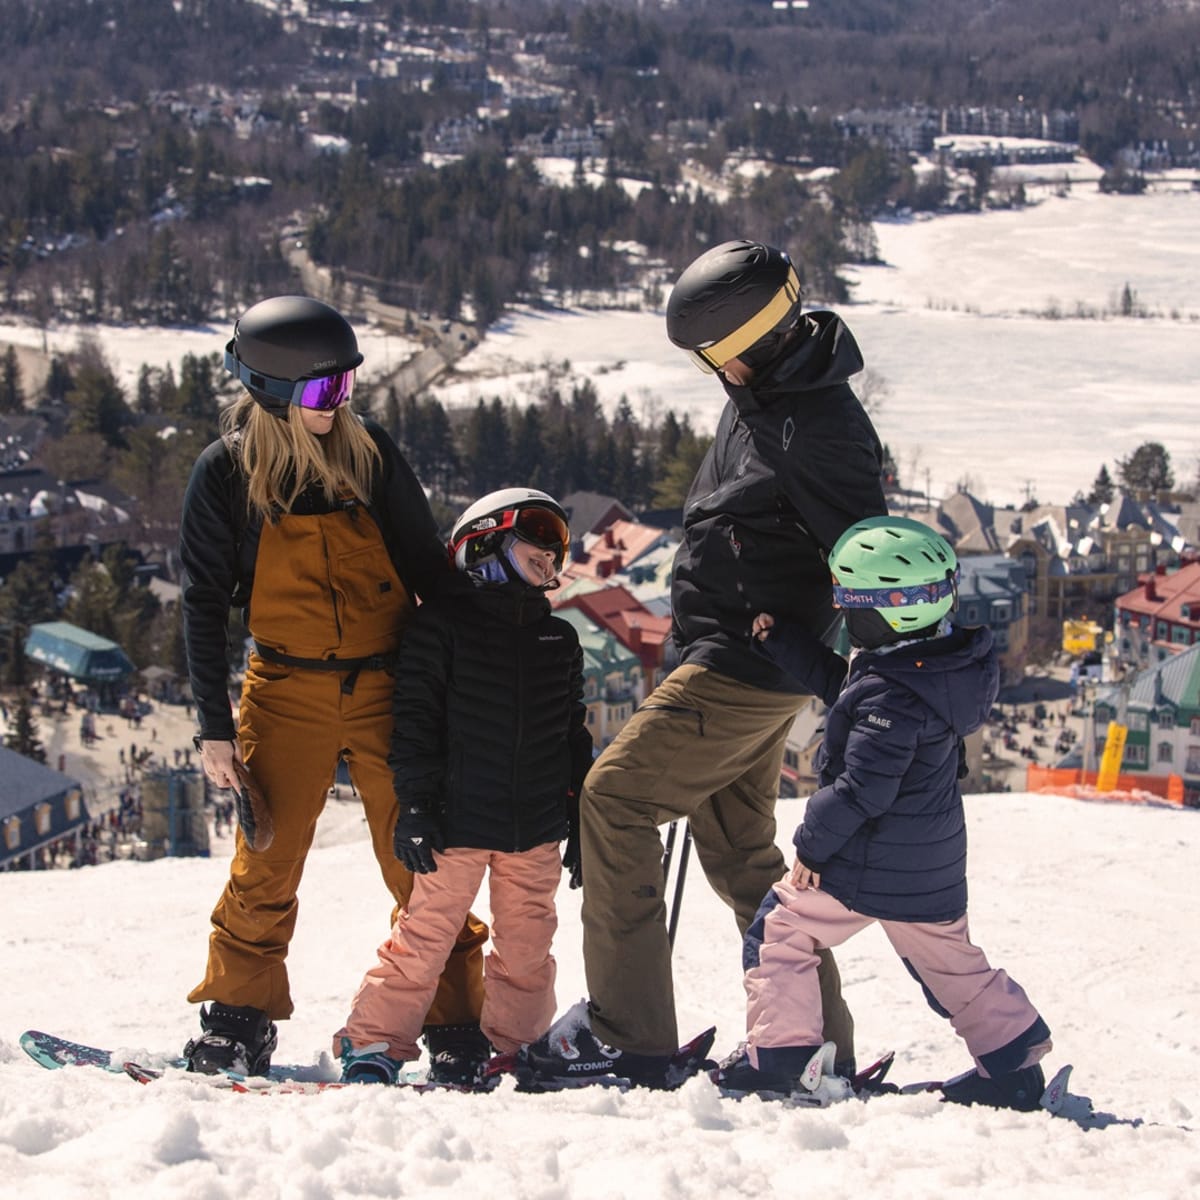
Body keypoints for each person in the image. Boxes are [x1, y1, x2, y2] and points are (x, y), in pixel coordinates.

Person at [520, 239, 887, 1089]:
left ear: (752, 337)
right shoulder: (764, 393)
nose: (709, 367)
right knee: (738, 850)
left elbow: (867, 557)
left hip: (745, 664)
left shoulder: (818, 426)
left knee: (613, 801)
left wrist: (877, 692)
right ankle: (812, 1043)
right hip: (730, 657)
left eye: (714, 351)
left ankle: (628, 1034)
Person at [178, 295, 487, 1078]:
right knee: (266, 857)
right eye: (322, 394)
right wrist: (215, 727)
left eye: (347, 387)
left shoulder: (368, 454)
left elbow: (426, 568)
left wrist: (473, 677)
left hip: (389, 683)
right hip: (285, 689)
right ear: (272, 392)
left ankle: (455, 1018)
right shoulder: (226, 475)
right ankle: (238, 1016)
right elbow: (204, 602)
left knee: (422, 855)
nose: (338, 406)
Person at [713, 516, 1053, 1110]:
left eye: (848, 601)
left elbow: (861, 789)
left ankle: (782, 1056)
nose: (843, 614)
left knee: (780, 931)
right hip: (933, 865)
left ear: (879, 610)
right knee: (949, 966)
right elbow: (849, 685)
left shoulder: (892, 694)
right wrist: (784, 643)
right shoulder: (931, 668)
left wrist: (812, 847)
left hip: (873, 862)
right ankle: (1013, 1056)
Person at [333, 488, 593, 1084]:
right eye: (538, 536)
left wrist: (578, 815)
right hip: (456, 822)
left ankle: (516, 1048)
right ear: (485, 544)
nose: (552, 553)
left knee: (528, 950)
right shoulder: (439, 629)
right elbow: (416, 726)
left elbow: (572, 738)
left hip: (535, 827)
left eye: (558, 548)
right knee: (423, 939)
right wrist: (418, 806)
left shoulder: (559, 639)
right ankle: (373, 1042)